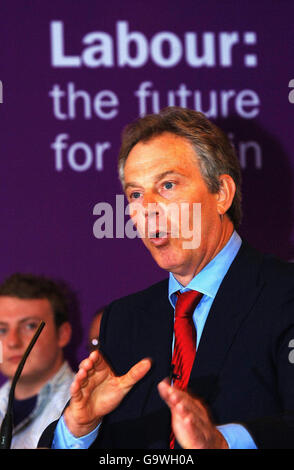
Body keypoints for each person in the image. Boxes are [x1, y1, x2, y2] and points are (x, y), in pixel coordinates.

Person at [39, 107, 294, 449]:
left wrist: (223, 443)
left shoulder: (284, 295)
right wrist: (81, 428)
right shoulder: (123, 321)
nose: (148, 209)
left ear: (222, 193)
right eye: (135, 194)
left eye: (168, 185)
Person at [0, 273, 75, 448]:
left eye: (30, 326)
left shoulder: (89, 408)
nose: (13, 342)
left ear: (63, 334)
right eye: (2, 330)